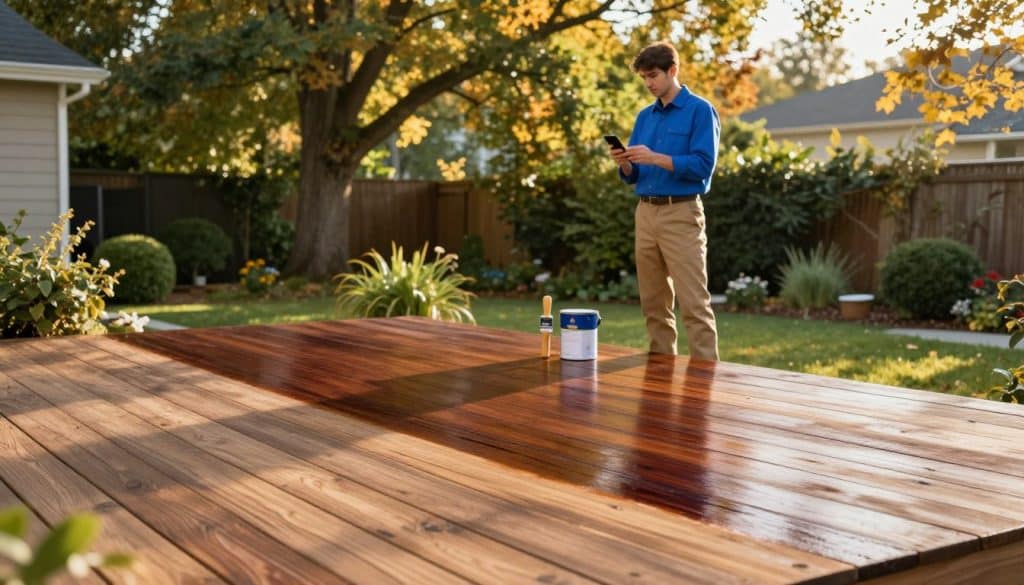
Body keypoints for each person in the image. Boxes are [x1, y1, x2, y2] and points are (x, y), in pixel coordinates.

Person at [610, 41, 720, 360]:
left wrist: (658, 158)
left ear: (673, 71)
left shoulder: (700, 110)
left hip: (681, 213)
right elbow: (635, 175)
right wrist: (626, 164)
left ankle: (704, 383)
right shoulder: (645, 117)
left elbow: (703, 166)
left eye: (653, 75)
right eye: (644, 77)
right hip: (645, 213)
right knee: (653, 304)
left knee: (694, 306)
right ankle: (660, 376)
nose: (648, 83)